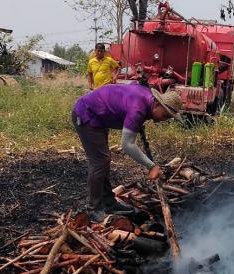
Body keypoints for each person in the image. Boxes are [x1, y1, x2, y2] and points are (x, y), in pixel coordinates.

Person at [72, 84, 182, 215]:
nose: (163, 120)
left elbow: (127, 101)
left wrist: (139, 123)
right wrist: (151, 166)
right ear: (157, 104)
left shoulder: (146, 100)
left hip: (99, 118)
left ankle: (108, 203)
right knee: (100, 161)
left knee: (103, 160)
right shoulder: (138, 108)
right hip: (86, 114)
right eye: (164, 115)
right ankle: (93, 210)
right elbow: (127, 145)